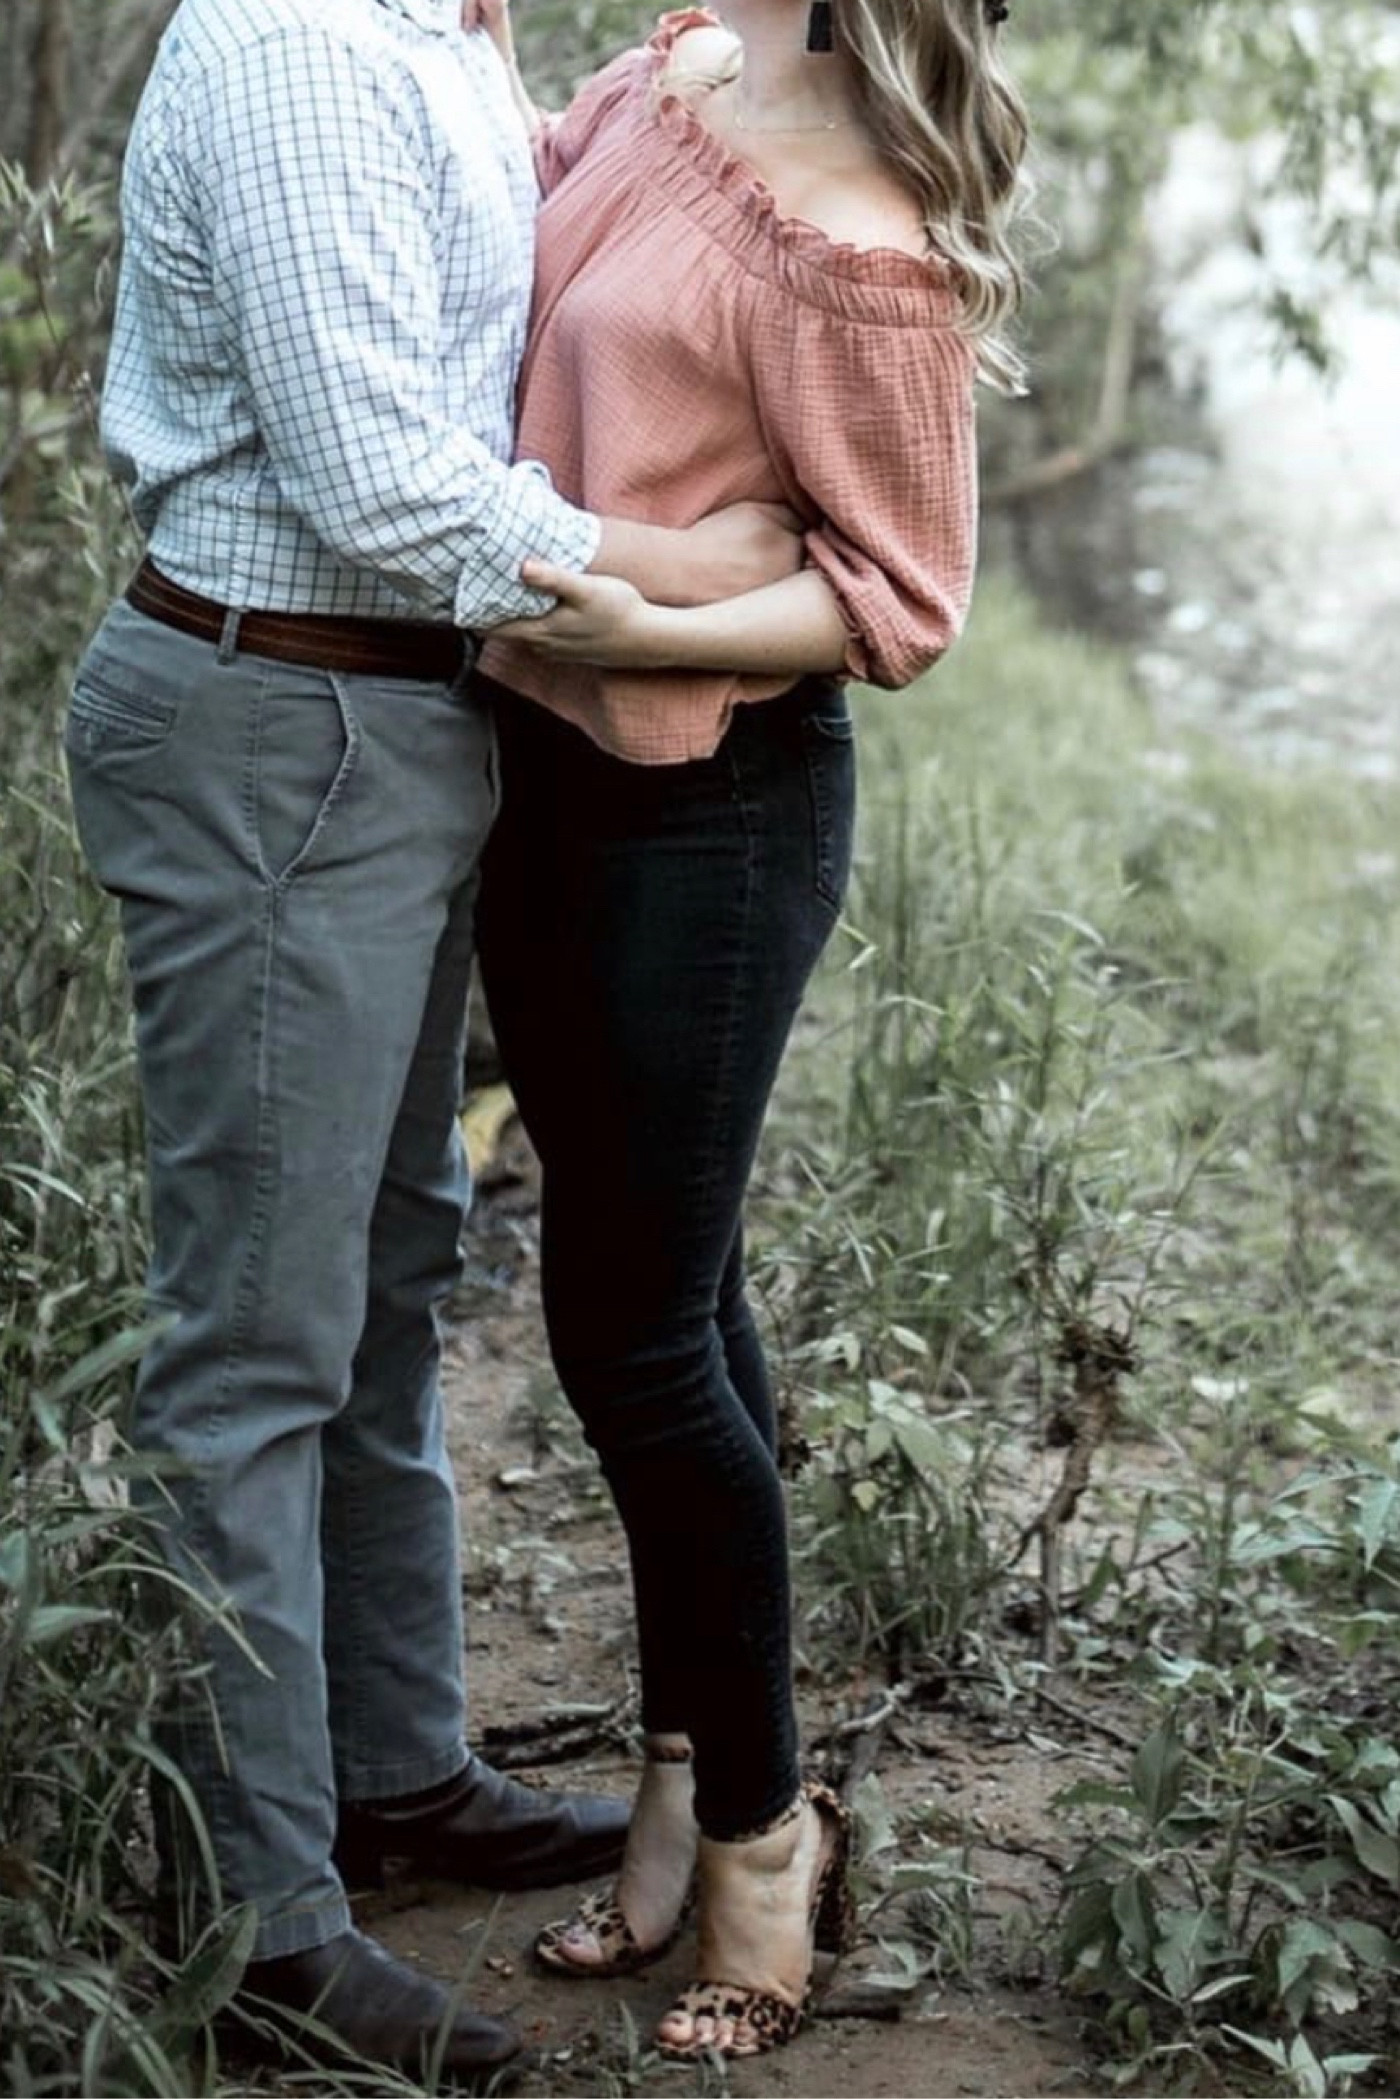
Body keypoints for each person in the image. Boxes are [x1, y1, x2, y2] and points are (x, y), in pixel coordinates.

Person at [62, 0, 803, 2081]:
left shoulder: (453, 38)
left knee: (383, 1289)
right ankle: (263, 1927)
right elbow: (381, 477)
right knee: (258, 1354)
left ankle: (390, 1775)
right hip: (277, 717)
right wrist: (694, 577)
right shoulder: (305, 39)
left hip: (384, 735)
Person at [470, 0, 1031, 2060]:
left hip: (701, 810)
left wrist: (665, 620)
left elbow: (901, 600)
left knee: (631, 1330)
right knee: (663, 1310)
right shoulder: (682, 63)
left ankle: (765, 1830)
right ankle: (682, 1781)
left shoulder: (859, 233)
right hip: (535, 769)